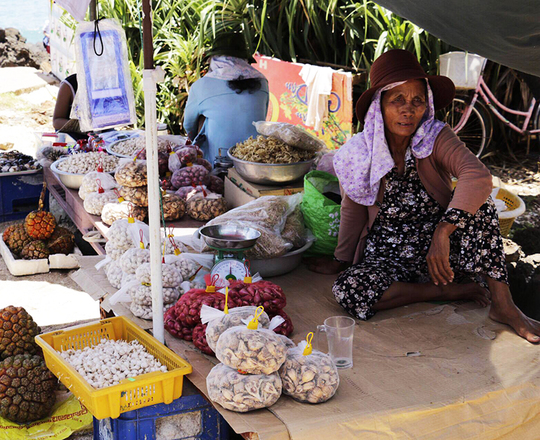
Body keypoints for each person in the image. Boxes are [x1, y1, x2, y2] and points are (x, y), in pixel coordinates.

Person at [307, 49, 540, 343]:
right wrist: (340, 260)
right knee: (349, 289)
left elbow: (477, 175)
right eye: (398, 100)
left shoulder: (435, 136)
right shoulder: (357, 153)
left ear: (426, 103)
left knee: (483, 206)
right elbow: (353, 209)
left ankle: (504, 306)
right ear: (380, 106)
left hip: (439, 256)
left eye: (417, 100)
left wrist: (443, 232)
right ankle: (449, 291)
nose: (408, 110)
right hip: (389, 256)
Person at [183, 32, 269, 164]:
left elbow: (189, 125)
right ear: (244, 59)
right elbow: (261, 116)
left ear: (215, 58)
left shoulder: (201, 85)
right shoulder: (262, 82)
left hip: (218, 159)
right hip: (255, 158)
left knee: (203, 118)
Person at [52, 74, 86, 141]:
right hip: (75, 142)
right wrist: (79, 126)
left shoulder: (109, 82)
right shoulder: (70, 85)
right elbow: (57, 121)